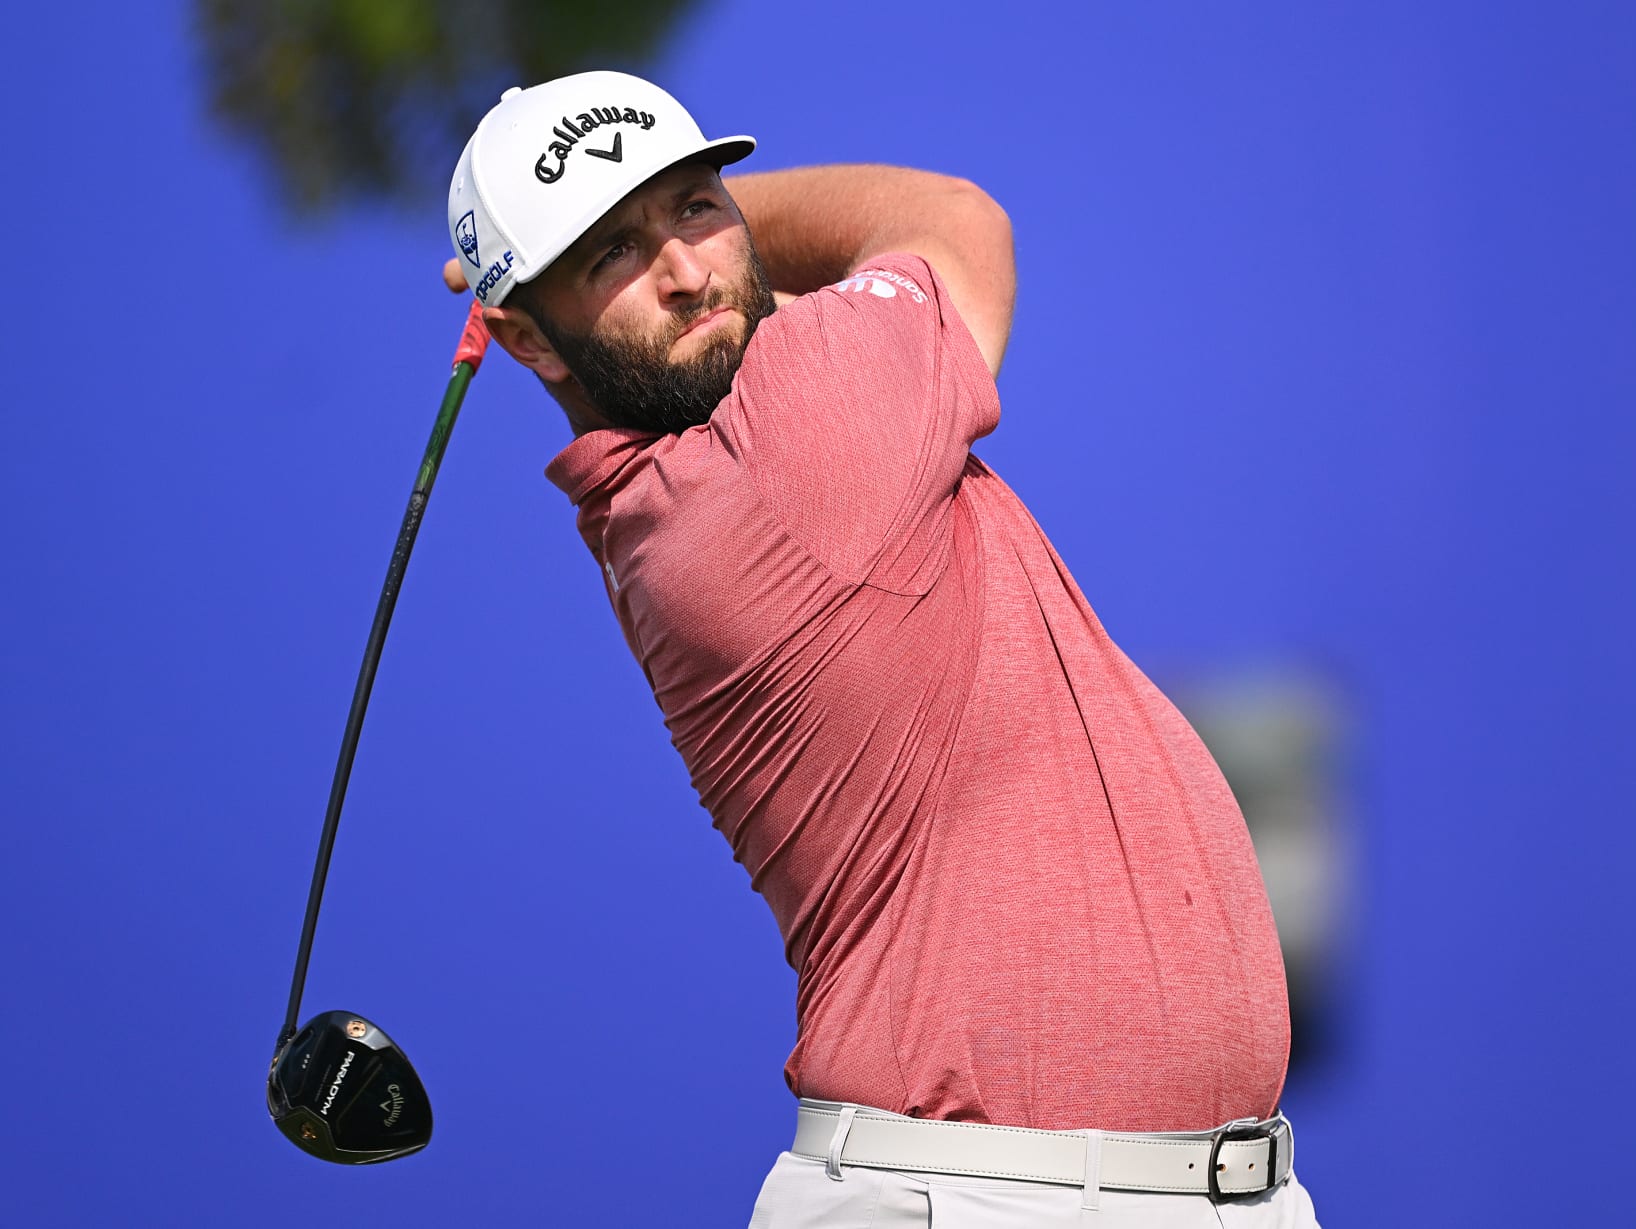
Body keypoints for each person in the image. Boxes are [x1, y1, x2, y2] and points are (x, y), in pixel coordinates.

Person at [443, 70, 1322, 1228]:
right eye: (613, 254)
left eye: (698, 205)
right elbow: (953, 217)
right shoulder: (788, 444)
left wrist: (603, 240)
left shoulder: (674, 492)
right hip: (972, 1195)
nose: (688, 272)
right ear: (523, 337)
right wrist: (724, 211)